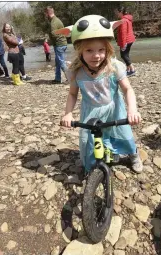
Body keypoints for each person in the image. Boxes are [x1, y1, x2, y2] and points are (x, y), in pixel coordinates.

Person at [59, 15, 143, 174]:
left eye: (101, 50)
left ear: (107, 50)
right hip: (90, 111)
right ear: (79, 51)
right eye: (89, 50)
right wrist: (68, 114)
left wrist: (132, 110)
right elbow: (72, 94)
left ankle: (133, 154)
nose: (96, 55)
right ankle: (92, 168)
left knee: (123, 134)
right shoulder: (76, 72)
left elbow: (127, 89)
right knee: (89, 141)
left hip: (114, 109)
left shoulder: (114, 68)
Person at [44, 6, 67, 84]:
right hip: (62, 43)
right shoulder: (56, 20)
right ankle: (57, 78)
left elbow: (54, 34)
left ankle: (70, 78)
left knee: (61, 62)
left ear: (47, 13)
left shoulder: (53, 22)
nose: (45, 16)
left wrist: (49, 40)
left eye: (45, 14)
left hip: (59, 44)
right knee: (58, 62)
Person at [114, 7, 136, 76]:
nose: (116, 14)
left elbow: (123, 33)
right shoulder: (127, 19)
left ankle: (132, 70)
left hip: (126, 40)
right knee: (126, 54)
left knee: (123, 55)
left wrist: (123, 44)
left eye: (117, 12)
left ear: (121, 12)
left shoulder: (123, 20)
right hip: (130, 40)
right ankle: (128, 69)